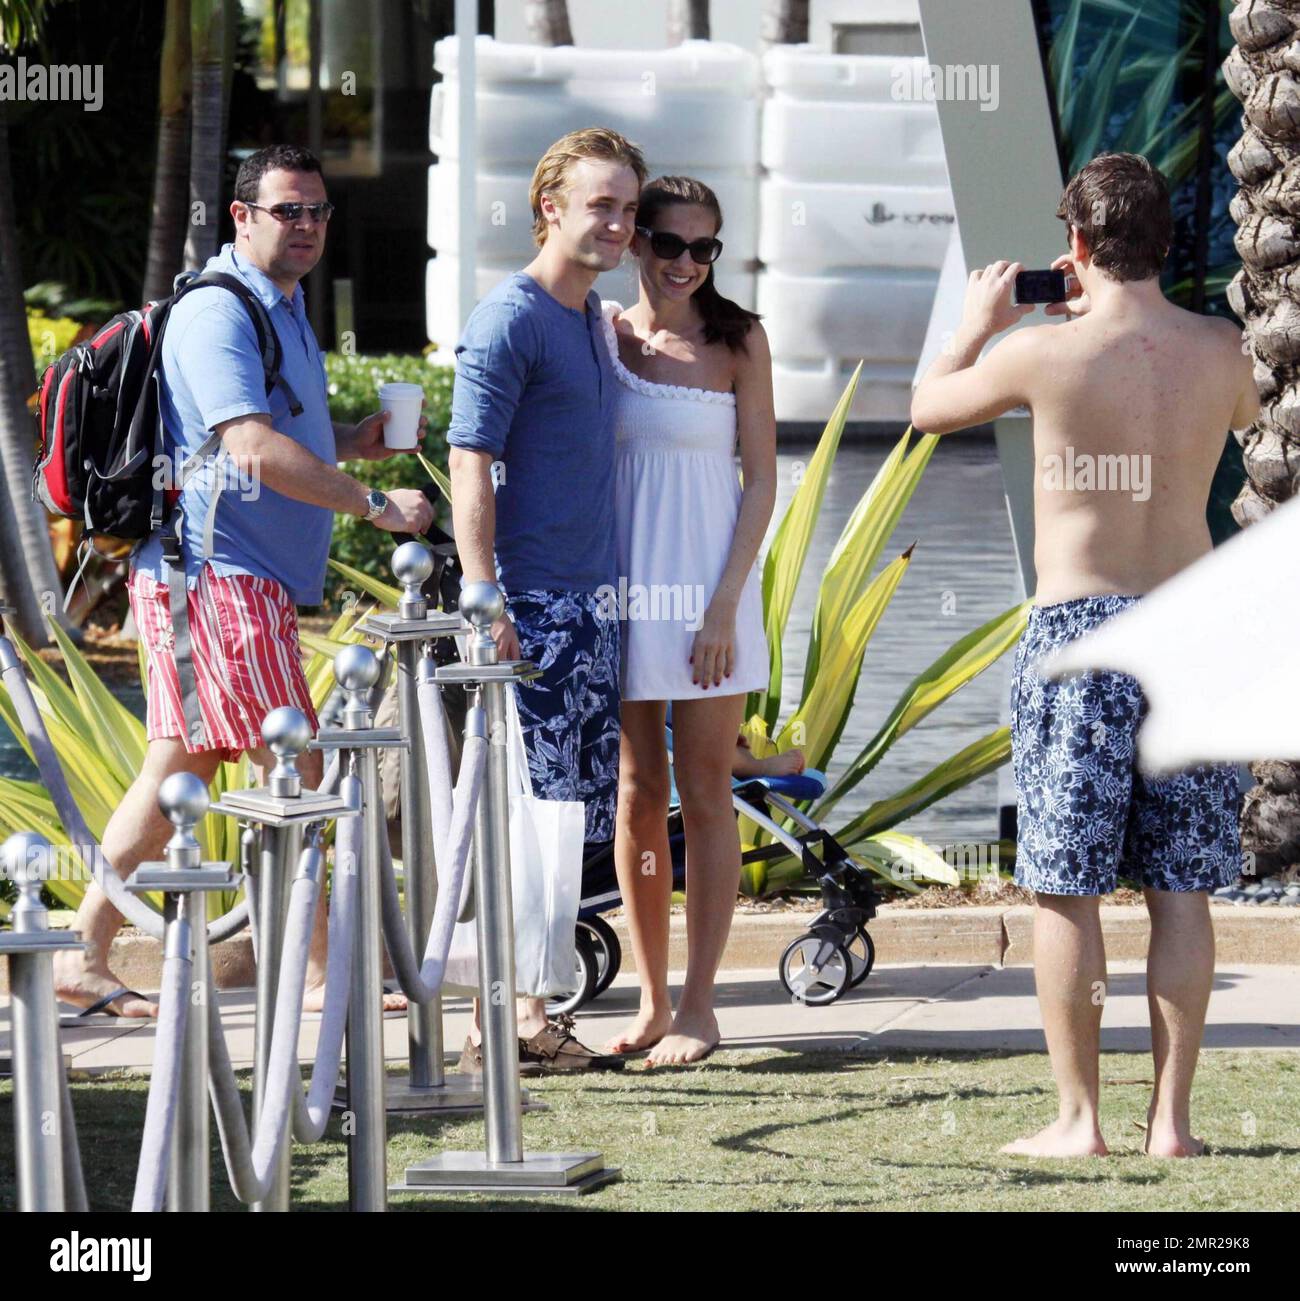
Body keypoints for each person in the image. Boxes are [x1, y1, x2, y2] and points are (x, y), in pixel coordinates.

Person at [910, 152, 1260, 1157]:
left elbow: (929, 409)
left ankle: (1079, 1119)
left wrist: (979, 323)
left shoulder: (1040, 354)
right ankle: (1172, 1124)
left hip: (1082, 634)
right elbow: (1240, 417)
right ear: (1164, 243)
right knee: (1178, 885)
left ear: (1074, 246)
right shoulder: (1222, 349)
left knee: (1067, 885)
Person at [54, 144, 433, 1018]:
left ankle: (82, 952)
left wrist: (358, 436)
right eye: (287, 211)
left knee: (175, 768)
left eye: (317, 212)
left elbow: (285, 428)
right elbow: (248, 447)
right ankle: (312, 971)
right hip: (216, 575)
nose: (306, 227)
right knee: (288, 764)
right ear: (241, 216)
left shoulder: (285, 305)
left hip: (237, 580)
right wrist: (374, 503)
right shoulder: (218, 312)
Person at [447, 126, 645, 1073]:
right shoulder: (510, 318)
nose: (616, 223)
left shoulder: (590, 316)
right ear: (550, 207)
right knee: (535, 812)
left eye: (628, 208)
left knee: (566, 813)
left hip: (590, 607)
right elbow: (469, 458)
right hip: (531, 605)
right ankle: (512, 1020)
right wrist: (485, 591)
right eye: (600, 204)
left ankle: (521, 1012)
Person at [598, 176, 777, 1066]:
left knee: (706, 792)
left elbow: (763, 482)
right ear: (635, 239)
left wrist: (723, 608)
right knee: (636, 795)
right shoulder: (602, 333)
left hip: (711, 596)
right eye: (668, 243)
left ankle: (703, 1005)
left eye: (704, 248)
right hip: (627, 594)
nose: (684, 263)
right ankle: (652, 996)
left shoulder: (740, 340)